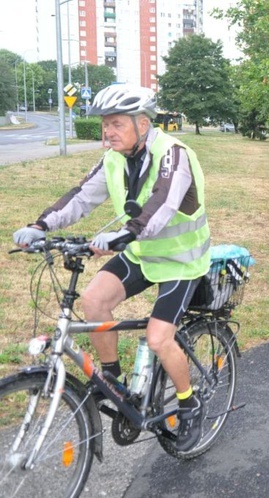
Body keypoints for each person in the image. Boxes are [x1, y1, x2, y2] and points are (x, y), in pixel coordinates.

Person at [12, 84, 210, 452]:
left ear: (142, 122)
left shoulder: (173, 154)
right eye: (105, 124)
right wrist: (41, 226)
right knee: (93, 301)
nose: (108, 132)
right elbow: (82, 196)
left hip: (181, 260)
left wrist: (124, 234)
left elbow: (162, 203)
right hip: (141, 254)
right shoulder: (114, 158)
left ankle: (188, 403)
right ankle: (115, 384)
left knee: (158, 338)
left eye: (116, 124)